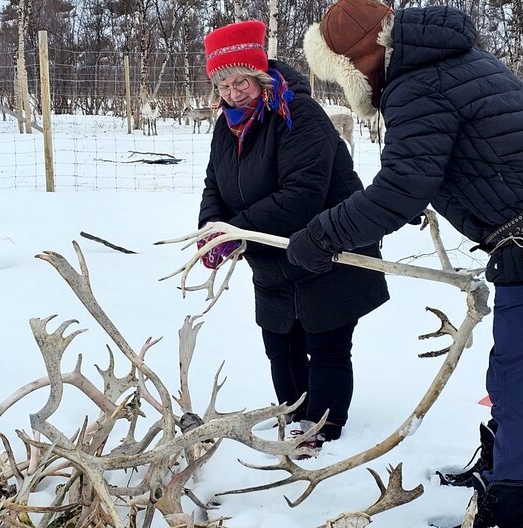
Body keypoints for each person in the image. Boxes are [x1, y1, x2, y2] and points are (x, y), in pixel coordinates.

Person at [286, 1, 523, 526]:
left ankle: (507, 505)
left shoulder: (416, 86)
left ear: (358, 65)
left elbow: (399, 189)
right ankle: (499, 463)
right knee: (510, 368)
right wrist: (431, 194)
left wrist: (320, 236)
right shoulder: (449, 59)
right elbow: (473, 151)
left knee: (521, 373)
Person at [197, 20, 390, 449]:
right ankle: (290, 416)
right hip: (272, 256)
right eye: (223, 84)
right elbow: (215, 185)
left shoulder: (297, 114)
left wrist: (237, 229)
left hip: (327, 248)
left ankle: (321, 428)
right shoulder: (226, 127)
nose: (233, 93)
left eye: (241, 81)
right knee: (280, 342)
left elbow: (303, 194)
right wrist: (211, 230)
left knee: (325, 343)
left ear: (260, 76)